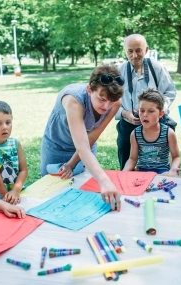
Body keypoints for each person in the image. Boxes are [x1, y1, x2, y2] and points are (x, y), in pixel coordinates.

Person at [40, 65, 124, 211]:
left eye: (111, 101)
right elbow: (82, 148)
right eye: (102, 99)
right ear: (89, 89)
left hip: (85, 147)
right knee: (53, 198)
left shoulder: (115, 102)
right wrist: (104, 181)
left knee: (83, 193)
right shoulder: (73, 100)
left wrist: (71, 164)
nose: (106, 106)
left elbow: (91, 138)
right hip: (57, 146)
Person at [116, 34, 177, 170]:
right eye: (130, 51)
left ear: (146, 49)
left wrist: (159, 110)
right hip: (128, 123)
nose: (135, 55)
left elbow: (170, 92)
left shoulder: (157, 68)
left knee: (157, 159)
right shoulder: (118, 72)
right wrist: (125, 114)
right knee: (126, 154)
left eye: (139, 50)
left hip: (155, 123)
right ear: (125, 51)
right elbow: (112, 101)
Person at [122, 88, 181, 175]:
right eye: (142, 111)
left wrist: (173, 169)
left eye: (151, 111)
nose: (145, 114)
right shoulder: (135, 134)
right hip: (141, 171)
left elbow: (176, 157)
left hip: (162, 172)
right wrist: (123, 173)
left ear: (160, 114)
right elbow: (132, 159)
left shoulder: (168, 133)